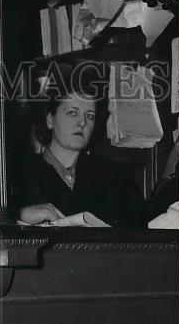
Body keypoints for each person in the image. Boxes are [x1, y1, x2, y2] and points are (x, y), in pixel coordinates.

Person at [13, 90, 146, 228]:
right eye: (72, 113)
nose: (82, 122)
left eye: (90, 116)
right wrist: (20, 215)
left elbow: (140, 227)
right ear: (50, 120)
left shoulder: (114, 175)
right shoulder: (19, 173)